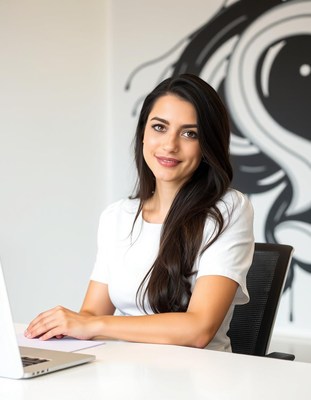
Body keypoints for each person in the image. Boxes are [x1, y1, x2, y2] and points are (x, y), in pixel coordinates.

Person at [25, 74, 254, 351]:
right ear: (143, 134)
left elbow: (198, 329)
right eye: (159, 127)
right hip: (122, 371)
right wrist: (62, 325)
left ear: (207, 146)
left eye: (189, 133)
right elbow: (92, 315)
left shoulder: (227, 209)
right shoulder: (117, 216)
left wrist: (92, 326)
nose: (170, 145)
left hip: (195, 381)